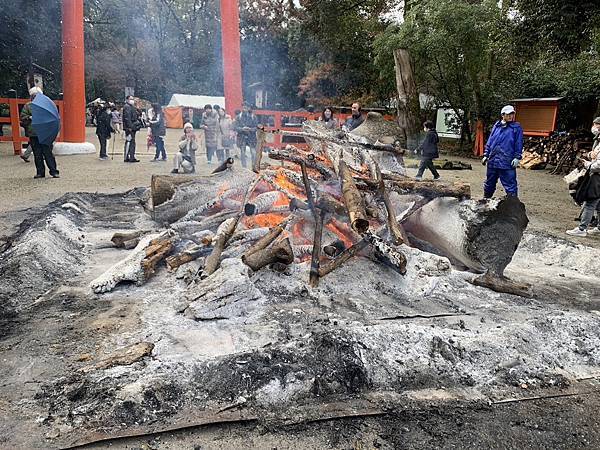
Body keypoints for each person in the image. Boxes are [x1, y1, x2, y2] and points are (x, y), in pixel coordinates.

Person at [566, 117, 600, 237]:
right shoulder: (598, 139)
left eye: (596, 124)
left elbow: (599, 164)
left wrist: (588, 164)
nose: (594, 127)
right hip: (596, 174)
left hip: (597, 176)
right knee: (599, 204)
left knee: (590, 202)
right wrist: (591, 154)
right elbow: (595, 155)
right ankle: (599, 227)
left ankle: (582, 229)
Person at [481, 105, 523, 198]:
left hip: (507, 162)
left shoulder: (516, 128)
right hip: (493, 160)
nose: (510, 116)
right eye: (508, 114)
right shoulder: (497, 126)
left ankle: (513, 206)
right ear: (502, 115)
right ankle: (485, 201)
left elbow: (518, 143)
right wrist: (486, 154)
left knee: (510, 185)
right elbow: (490, 141)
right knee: (489, 183)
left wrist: (517, 157)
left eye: (512, 114)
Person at [20, 87, 59, 178]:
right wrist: (29, 118)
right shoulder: (28, 106)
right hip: (33, 133)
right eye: (33, 96)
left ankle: (54, 171)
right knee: (37, 154)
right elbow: (23, 117)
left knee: (48, 153)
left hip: (45, 133)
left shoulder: (46, 105)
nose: (35, 97)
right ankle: (40, 172)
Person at [234, 103, 258, 168]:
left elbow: (256, 127)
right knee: (242, 152)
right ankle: (244, 168)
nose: (245, 108)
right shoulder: (238, 117)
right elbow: (235, 127)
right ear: (242, 107)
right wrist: (242, 129)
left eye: (247, 107)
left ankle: (254, 166)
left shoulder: (253, 117)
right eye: (244, 107)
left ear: (249, 108)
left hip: (251, 136)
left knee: (253, 152)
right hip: (242, 136)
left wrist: (250, 129)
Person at [122, 95, 141, 162]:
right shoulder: (127, 107)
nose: (132, 100)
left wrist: (138, 108)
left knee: (131, 142)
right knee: (130, 142)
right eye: (131, 99)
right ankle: (129, 157)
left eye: (133, 99)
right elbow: (127, 118)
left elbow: (138, 114)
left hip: (133, 127)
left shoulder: (132, 107)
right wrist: (130, 127)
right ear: (127, 100)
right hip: (130, 128)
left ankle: (130, 156)